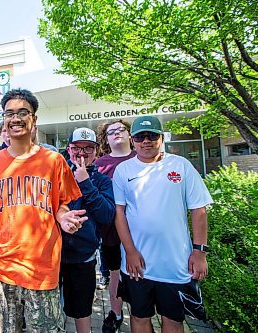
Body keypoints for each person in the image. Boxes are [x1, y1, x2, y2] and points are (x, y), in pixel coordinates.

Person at [0, 88, 85, 332]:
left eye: (23, 112)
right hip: (2, 269)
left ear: (34, 119)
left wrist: (64, 219)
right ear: (4, 120)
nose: (16, 118)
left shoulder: (54, 161)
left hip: (42, 269)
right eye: (9, 113)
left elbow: (60, 205)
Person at [113, 116, 213, 333]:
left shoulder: (181, 165)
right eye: (140, 137)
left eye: (152, 136)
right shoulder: (123, 170)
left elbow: (199, 209)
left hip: (175, 265)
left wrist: (199, 252)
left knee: (174, 321)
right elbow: (119, 213)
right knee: (139, 317)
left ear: (162, 137)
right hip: (137, 264)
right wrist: (130, 251)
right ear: (132, 140)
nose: (146, 141)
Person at [60, 128, 115, 333]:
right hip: (52, 256)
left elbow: (107, 216)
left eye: (88, 149)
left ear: (97, 150)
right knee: (50, 310)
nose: (82, 154)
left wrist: (85, 182)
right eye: (77, 149)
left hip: (83, 257)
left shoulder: (102, 181)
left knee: (81, 311)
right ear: (69, 149)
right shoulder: (57, 175)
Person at [94, 119, 136, 332]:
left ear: (129, 134)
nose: (117, 133)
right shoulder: (100, 164)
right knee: (115, 274)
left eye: (121, 129)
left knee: (141, 274)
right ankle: (116, 313)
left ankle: (141, 315)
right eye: (111, 132)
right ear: (106, 138)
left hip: (139, 231)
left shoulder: (142, 158)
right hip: (111, 232)